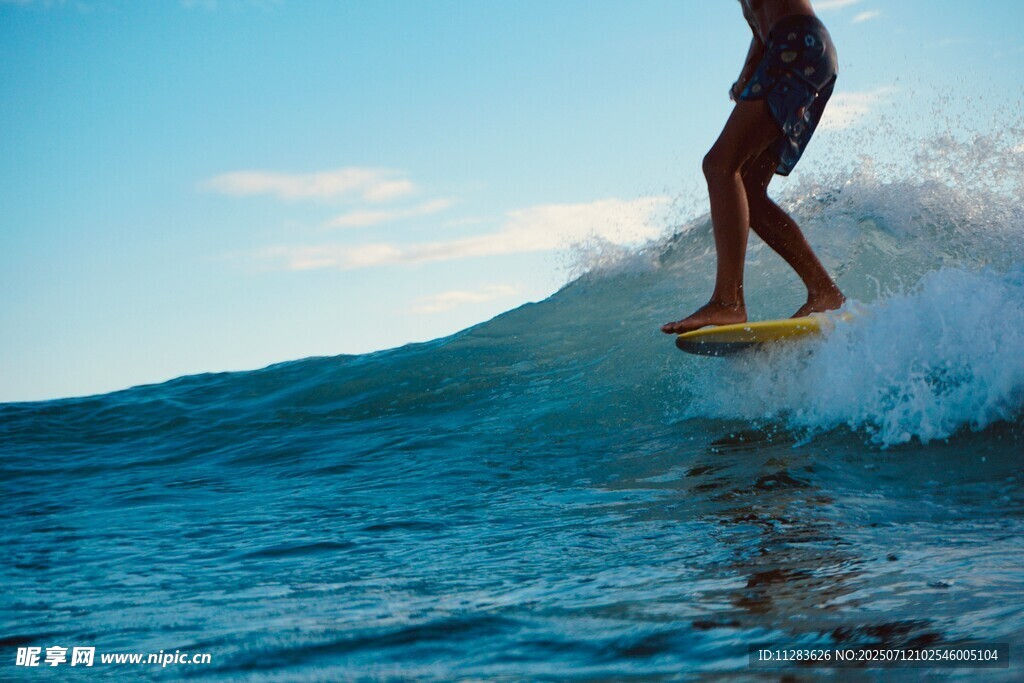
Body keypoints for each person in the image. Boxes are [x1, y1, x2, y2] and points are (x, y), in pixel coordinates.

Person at [661, 0, 845, 335]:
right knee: (746, 190)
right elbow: (761, 31)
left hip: (799, 47)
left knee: (719, 165)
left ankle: (728, 301)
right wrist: (746, 76)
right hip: (787, 50)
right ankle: (824, 292)